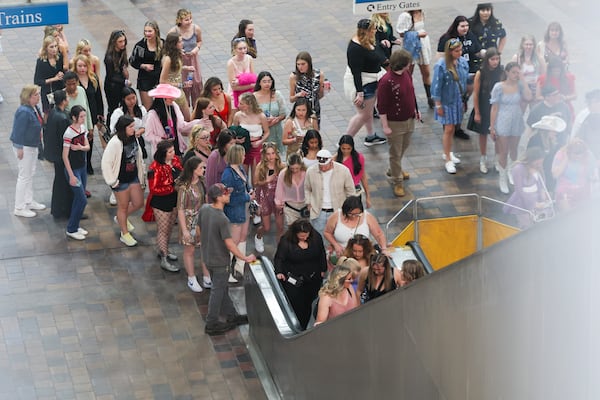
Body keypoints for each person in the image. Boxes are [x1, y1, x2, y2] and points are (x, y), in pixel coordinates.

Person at [199, 183, 256, 336]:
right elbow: (230, 244)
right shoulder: (222, 218)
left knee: (222, 288)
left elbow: (199, 230)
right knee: (217, 291)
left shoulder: (204, 209)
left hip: (208, 257)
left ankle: (231, 315)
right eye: (226, 193)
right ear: (219, 197)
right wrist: (244, 257)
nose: (229, 195)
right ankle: (211, 323)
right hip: (220, 261)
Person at [377, 49, 419, 197]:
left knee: (403, 147)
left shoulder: (407, 74)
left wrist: (416, 110)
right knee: (395, 152)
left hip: (409, 118)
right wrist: (385, 126)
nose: (410, 65)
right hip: (394, 123)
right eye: (408, 63)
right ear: (402, 64)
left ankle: (395, 168)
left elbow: (411, 93)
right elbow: (381, 106)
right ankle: (397, 181)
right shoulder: (386, 81)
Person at [101, 115, 146, 247]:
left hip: (133, 176)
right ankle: (124, 233)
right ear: (123, 128)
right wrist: (112, 181)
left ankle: (121, 218)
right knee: (123, 206)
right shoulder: (115, 142)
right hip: (120, 180)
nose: (134, 129)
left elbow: (138, 157)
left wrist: (141, 175)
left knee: (138, 203)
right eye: (131, 127)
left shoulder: (133, 139)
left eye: (134, 126)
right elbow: (106, 163)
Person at [274, 219, 326, 330]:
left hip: (312, 278)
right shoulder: (286, 241)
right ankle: (294, 326)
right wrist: (279, 272)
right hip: (293, 279)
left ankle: (303, 327)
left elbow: (321, 253)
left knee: (307, 304)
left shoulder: (316, 237)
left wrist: (323, 269)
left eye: (306, 235)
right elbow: (279, 258)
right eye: (301, 236)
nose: (304, 238)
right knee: (296, 304)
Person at [437, 16, 483, 140]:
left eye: (467, 26)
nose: (465, 28)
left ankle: (457, 126)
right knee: (452, 100)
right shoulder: (446, 39)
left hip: (468, 72)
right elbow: (440, 57)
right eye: (462, 26)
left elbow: (478, 51)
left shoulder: (470, 36)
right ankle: (449, 126)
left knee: (463, 101)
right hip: (453, 75)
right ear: (456, 26)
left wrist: (488, 54)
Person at [490, 62, 533, 193]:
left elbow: (529, 97)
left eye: (517, 72)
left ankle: (510, 171)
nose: (516, 75)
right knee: (503, 151)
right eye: (513, 72)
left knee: (514, 149)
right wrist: (492, 127)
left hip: (516, 119)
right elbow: (494, 107)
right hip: (503, 119)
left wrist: (524, 80)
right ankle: (502, 178)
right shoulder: (499, 87)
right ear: (507, 72)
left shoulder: (520, 85)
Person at [344, 19, 387, 146]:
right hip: (364, 84)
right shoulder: (355, 48)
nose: (375, 31)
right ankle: (345, 140)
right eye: (373, 29)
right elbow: (356, 72)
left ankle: (371, 136)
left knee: (367, 113)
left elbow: (376, 52)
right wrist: (359, 92)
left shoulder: (369, 40)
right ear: (366, 31)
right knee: (363, 115)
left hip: (372, 80)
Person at [432, 38, 469, 174]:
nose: (459, 53)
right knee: (448, 128)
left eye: (460, 50)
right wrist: (438, 104)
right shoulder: (441, 65)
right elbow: (436, 86)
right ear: (450, 51)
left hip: (458, 100)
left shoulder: (463, 63)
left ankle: (448, 151)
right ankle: (447, 158)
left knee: (453, 127)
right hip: (446, 101)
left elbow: (465, 80)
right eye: (456, 50)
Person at [176, 156, 212, 291]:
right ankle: (191, 278)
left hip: (202, 219)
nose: (204, 169)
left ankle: (207, 276)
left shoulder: (202, 182)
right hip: (189, 221)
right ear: (193, 170)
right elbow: (180, 209)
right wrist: (184, 230)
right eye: (201, 167)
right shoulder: (184, 188)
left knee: (204, 248)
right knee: (189, 250)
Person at [146, 140, 183, 271]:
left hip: (174, 199)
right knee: (163, 230)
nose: (174, 153)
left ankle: (164, 250)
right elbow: (154, 189)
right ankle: (163, 258)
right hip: (161, 201)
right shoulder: (154, 168)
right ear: (163, 153)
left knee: (169, 228)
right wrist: (173, 188)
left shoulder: (176, 161)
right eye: (170, 152)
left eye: (173, 150)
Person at [11, 85, 46, 218]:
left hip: (32, 145)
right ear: (28, 97)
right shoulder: (23, 112)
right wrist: (19, 148)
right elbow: (18, 131)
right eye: (35, 95)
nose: (38, 97)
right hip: (24, 147)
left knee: (30, 173)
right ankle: (19, 207)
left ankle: (28, 200)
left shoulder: (33, 108)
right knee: (24, 176)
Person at [468, 47, 504, 174]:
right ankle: (483, 158)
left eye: (497, 59)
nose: (495, 62)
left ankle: (497, 159)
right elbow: (476, 94)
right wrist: (477, 112)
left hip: (497, 106)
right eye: (492, 59)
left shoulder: (501, 71)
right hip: (484, 105)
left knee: (498, 134)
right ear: (487, 60)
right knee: (483, 133)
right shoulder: (481, 73)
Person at [304, 149, 355, 233]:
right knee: (318, 238)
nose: (323, 168)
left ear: (331, 161)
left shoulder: (343, 171)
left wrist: (348, 209)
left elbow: (351, 191)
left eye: (325, 166)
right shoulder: (311, 171)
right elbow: (307, 188)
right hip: (318, 212)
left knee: (338, 237)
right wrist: (309, 203)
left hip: (338, 211)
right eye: (320, 166)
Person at [221, 145, 252, 280]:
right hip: (234, 210)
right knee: (232, 242)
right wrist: (247, 197)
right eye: (243, 154)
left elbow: (245, 184)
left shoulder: (239, 168)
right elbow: (228, 198)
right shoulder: (228, 175)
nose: (244, 157)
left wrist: (249, 190)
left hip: (243, 208)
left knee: (241, 237)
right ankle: (226, 271)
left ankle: (239, 265)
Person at [144, 84, 200, 157]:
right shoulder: (152, 115)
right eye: (169, 97)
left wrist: (198, 122)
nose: (173, 99)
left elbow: (182, 125)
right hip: (163, 151)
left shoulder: (174, 106)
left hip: (176, 146)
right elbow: (148, 136)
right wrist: (161, 140)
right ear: (163, 99)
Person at [323, 195, 387, 258]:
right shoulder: (336, 216)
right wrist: (335, 245)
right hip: (341, 254)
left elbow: (379, 234)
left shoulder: (367, 217)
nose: (353, 216)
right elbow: (327, 232)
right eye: (350, 214)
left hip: (363, 255)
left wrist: (384, 249)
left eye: (357, 214)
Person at [72, 54, 105, 175]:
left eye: (84, 66)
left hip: (92, 111)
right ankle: (81, 161)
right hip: (79, 114)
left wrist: (100, 114)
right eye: (79, 66)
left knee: (90, 137)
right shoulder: (73, 80)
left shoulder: (93, 78)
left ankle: (88, 162)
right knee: (80, 138)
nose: (82, 68)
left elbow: (98, 97)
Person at [505, 147, 553, 228]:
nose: (540, 165)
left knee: (540, 225)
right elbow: (519, 191)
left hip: (537, 199)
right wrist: (533, 204)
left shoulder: (538, 166)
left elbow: (542, 181)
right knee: (526, 226)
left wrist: (543, 192)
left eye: (541, 162)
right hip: (523, 202)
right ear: (531, 160)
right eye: (537, 163)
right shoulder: (518, 169)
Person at [395, 9, 434, 109]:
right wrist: (417, 34)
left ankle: (430, 97)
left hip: (422, 45)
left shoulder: (421, 11)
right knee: (408, 73)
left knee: (426, 72)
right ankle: (407, 98)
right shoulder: (406, 15)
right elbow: (401, 33)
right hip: (411, 46)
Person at [62, 105, 91, 240]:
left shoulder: (82, 129)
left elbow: (87, 147)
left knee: (79, 199)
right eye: (81, 117)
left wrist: (80, 147)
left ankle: (75, 225)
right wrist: (71, 175)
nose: (83, 119)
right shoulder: (69, 133)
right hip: (73, 169)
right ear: (74, 117)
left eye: (84, 116)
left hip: (82, 167)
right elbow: (65, 156)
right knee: (81, 199)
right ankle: (71, 228)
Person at [44, 90, 73, 219]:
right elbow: (64, 140)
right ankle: (64, 210)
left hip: (55, 154)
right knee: (64, 183)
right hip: (61, 156)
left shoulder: (53, 113)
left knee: (59, 181)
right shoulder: (62, 118)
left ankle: (58, 209)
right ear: (63, 101)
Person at [253, 142, 285, 252]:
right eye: (268, 154)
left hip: (278, 197)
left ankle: (280, 250)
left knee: (280, 227)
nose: (271, 156)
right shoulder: (261, 167)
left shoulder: (281, 166)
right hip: (265, 197)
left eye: (273, 153)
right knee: (266, 227)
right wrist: (267, 180)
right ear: (264, 155)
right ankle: (258, 237)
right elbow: (255, 183)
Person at [169, 9, 203, 108]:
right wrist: (179, 51)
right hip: (180, 60)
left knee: (196, 83)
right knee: (184, 84)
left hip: (193, 59)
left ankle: (197, 108)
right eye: (186, 20)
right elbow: (168, 47)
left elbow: (199, 41)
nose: (189, 22)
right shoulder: (173, 32)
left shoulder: (196, 29)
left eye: (190, 19)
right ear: (180, 20)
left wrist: (196, 49)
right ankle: (185, 108)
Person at [552, 138, 597, 212]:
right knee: (569, 218)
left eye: (580, 154)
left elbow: (593, 172)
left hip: (583, 193)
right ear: (569, 152)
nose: (578, 157)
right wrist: (566, 160)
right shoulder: (561, 154)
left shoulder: (588, 154)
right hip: (565, 195)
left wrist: (593, 177)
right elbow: (555, 175)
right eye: (575, 154)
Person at [159, 32, 194, 121]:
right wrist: (181, 85)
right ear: (173, 44)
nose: (182, 43)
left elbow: (174, 69)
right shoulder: (168, 59)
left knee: (187, 118)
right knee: (179, 119)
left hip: (179, 91)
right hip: (172, 92)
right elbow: (162, 81)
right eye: (180, 42)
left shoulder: (177, 54)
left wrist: (186, 68)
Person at [232, 92, 270, 175]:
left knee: (255, 174)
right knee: (242, 173)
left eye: (242, 104)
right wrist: (237, 140)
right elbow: (234, 132)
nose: (238, 105)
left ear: (249, 105)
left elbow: (267, 132)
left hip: (256, 146)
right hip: (243, 147)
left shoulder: (261, 116)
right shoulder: (237, 116)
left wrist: (260, 142)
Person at [129, 21, 163, 110]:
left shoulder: (162, 44)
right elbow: (132, 61)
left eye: (150, 31)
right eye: (145, 31)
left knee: (162, 107)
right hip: (145, 80)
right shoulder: (140, 46)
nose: (147, 34)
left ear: (156, 31)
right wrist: (143, 66)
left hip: (159, 78)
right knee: (148, 109)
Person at [254, 71, 287, 157]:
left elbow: (283, 113)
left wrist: (277, 119)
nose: (267, 84)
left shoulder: (277, 94)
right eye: (264, 81)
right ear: (259, 83)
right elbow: (252, 115)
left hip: (276, 130)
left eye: (269, 81)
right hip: (261, 131)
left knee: (276, 156)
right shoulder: (254, 97)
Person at [289, 52, 325, 126]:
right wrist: (297, 95)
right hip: (301, 110)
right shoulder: (294, 77)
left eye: (303, 64)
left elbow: (320, 96)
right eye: (298, 64)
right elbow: (291, 99)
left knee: (314, 133)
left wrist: (324, 89)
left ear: (309, 63)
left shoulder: (318, 75)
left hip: (314, 109)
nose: (300, 67)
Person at [34, 35, 68, 114]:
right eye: (51, 47)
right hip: (48, 92)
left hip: (59, 89)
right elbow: (37, 81)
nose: (54, 49)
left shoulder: (59, 57)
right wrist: (54, 79)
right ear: (46, 48)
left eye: (56, 46)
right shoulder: (41, 62)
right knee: (48, 113)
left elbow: (62, 70)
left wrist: (61, 73)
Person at [335, 135, 372, 206]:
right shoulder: (335, 159)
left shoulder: (359, 158)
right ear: (340, 147)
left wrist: (368, 197)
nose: (346, 151)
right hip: (340, 192)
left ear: (352, 147)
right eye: (343, 148)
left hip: (355, 191)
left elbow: (363, 177)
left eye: (348, 149)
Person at [275, 153, 307, 227]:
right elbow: (280, 189)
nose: (295, 171)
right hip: (290, 206)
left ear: (301, 165)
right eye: (292, 168)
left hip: (305, 205)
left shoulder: (307, 173)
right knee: (292, 230)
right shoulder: (283, 174)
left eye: (297, 168)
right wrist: (278, 203)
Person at [512, 35, 545, 106]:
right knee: (520, 113)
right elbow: (511, 75)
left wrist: (540, 91)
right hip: (521, 88)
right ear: (522, 45)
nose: (528, 47)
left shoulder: (539, 58)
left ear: (534, 46)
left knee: (534, 113)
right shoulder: (517, 58)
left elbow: (543, 74)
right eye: (526, 44)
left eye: (531, 45)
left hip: (535, 89)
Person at [104, 30, 130, 121]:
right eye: (120, 41)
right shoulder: (109, 58)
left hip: (120, 84)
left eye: (124, 41)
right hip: (112, 87)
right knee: (113, 109)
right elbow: (111, 76)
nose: (123, 44)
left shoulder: (122, 53)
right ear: (114, 42)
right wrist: (125, 81)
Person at [227, 37, 256, 110]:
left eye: (245, 48)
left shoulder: (249, 58)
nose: (243, 51)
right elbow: (234, 87)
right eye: (240, 49)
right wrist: (251, 85)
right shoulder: (231, 63)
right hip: (235, 94)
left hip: (249, 92)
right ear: (235, 50)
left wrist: (239, 82)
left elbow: (253, 78)